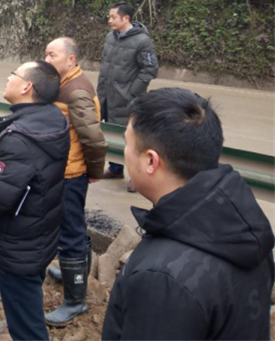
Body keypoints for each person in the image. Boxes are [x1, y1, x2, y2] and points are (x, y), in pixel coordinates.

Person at [102, 88, 275, 341]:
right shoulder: (245, 226)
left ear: (151, 161)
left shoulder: (161, 279)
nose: (125, 151)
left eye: (127, 143)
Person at [0, 61, 69, 341]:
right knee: (28, 305)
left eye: (13, 74)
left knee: (28, 329)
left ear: (27, 86)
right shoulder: (54, 119)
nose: (8, 78)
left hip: (18, 246)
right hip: (39, 235)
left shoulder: (20, 138)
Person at [43, 38, 108, 326]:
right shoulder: (64, 83)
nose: (46, 59)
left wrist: (93, 171)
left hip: (71, 173)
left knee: (70, 232)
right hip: (65, 170)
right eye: (45, 54)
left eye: (52, 54)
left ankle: (75, 300)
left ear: (71, 59)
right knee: (72, 225)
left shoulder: (76, 90)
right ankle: (75, 274)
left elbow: (93, 138)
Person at [97, 2, 158, 192]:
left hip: (129, 98)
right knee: (111, 131)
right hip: (107, 95)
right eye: (109, 16)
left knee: (133, 137)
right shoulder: (110, 37)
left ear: (126, 18)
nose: (109, 20)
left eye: (113, 17)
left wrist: (132, 92)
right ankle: (116, 169)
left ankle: (137, 176)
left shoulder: (142, 41)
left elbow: (150, 69)